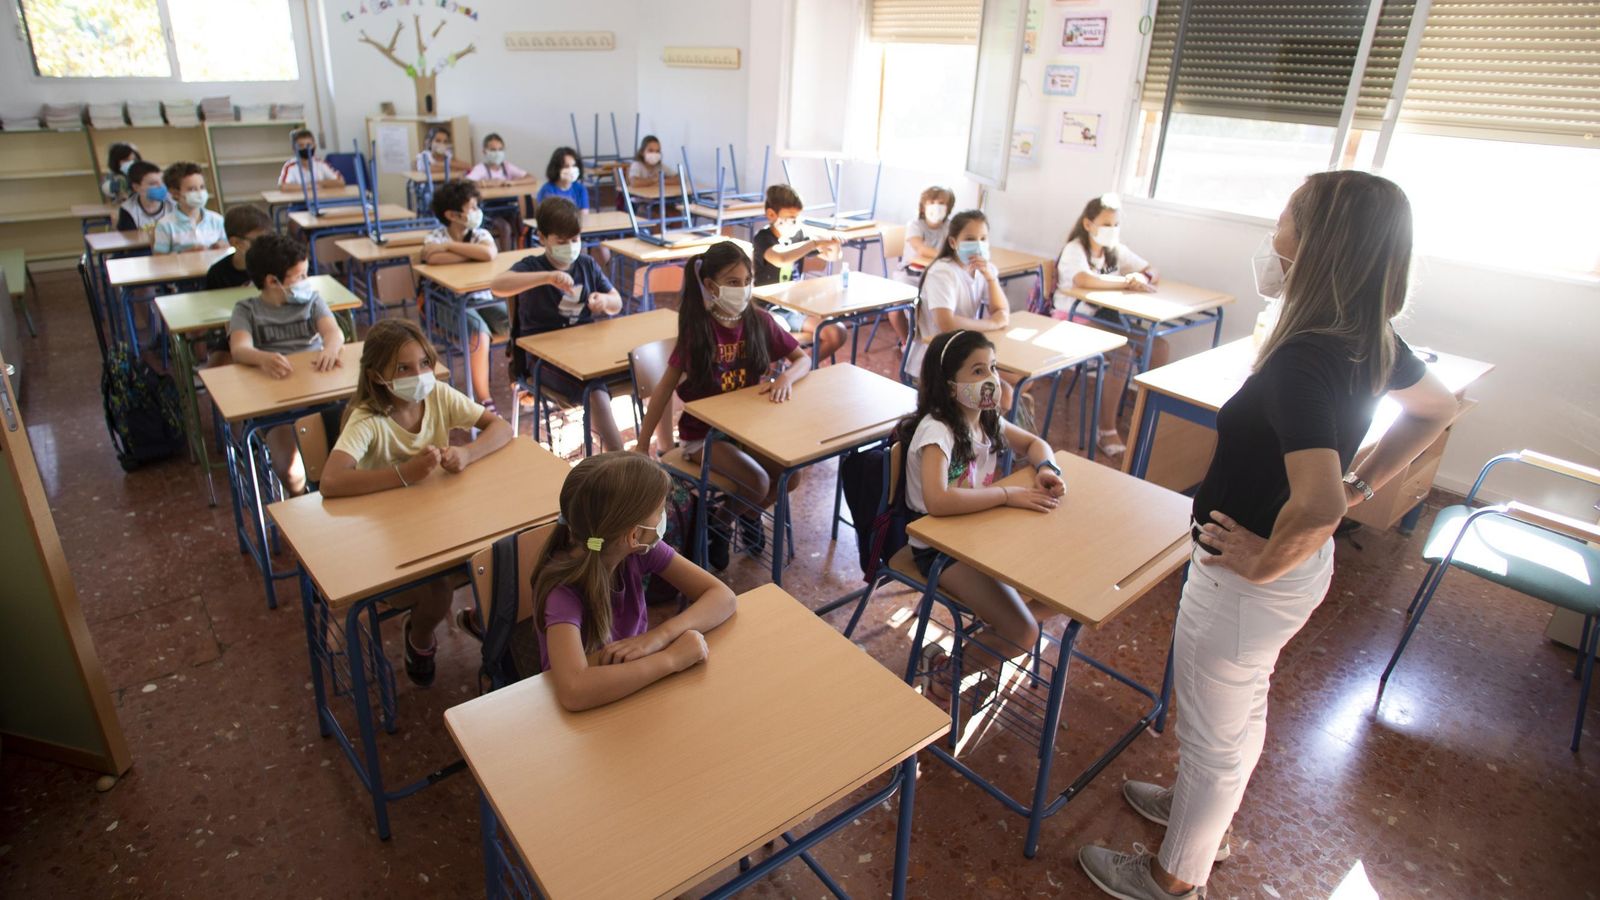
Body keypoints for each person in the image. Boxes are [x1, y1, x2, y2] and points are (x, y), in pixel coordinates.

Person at [1077, 171, 1459, 900]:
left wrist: (1264, 556)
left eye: (1285, 218)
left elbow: (1316, 505)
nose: (1273, 235)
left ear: (1319, 245)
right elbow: (1434, 407)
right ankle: (1195, 814)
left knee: (1219, 734)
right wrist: (1363, 484)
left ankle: (1173, 878)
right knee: (1237, 713)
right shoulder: (1365, 335)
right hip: (1282, 577)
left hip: (1247, 581)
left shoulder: (1303, 358)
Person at [319, 318, 514, 686]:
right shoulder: (368, 419)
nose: (420, 374)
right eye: (404, 369)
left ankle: (484, 619)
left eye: (424, 363)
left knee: (506, 553)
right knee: (439, 588)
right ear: (378, 377)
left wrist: (468, 453)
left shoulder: (436, 395)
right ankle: (420, 637)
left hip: (440, 524)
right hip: (388, 544)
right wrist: (404, 474)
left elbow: (501, 428)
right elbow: (331, 480)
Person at [900, 329, 1063, 704]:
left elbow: (1035, 444)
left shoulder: (985, 418)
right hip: (940, 549)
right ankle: (947, 673)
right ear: (948, 382)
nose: (990, 378)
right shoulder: (937, 430)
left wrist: (1047, 469)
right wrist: (1007, 495)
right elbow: (938, 500)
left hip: (978, 536)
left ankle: (989, 643)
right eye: (976, 371)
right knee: (1023, 633)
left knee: (1063, 588)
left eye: (991, 366)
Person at [635, 241, 813, 569]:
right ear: (710, 286)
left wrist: (785, 378)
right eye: (733, 283)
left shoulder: (759, 321)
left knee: (792, 475)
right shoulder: (699, 330)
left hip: (748, 431)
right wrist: (643, 444)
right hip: (703, 437)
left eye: (748, 281)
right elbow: (663, 390)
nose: (743, 289)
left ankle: (746, 512)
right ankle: (720, 523)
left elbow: (803, 359)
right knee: (758, 482)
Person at [533, 452, 737, 711]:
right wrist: (671, 659)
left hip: (632, 684)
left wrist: (659, 637)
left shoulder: (640, 550)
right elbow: (575, 690)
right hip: (586, 713)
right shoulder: (563, 591)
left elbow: (722, 596)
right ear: (633, 535)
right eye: (659, 511)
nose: (663, 517)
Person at [489, 197, 626, 450]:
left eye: (575, 240)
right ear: (542, 238)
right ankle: (623, 464)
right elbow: (497, 286)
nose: (571, 247)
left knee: (642, 367)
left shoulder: (586, 264)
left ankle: (643, 448)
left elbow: (616, 302)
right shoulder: (532, 267)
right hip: (543, 360)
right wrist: (547, 277)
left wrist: (603, 300)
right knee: (594, 390)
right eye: (561, 242)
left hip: (584, 351)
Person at [226, 233, 344, 497]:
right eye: (299, 276)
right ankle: (301, 506)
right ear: (272, 281)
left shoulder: (312, 301)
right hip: (275, 402)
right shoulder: (246, 310)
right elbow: (239, 349)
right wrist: (262, 357)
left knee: (345, 457)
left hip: (320, 393)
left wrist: (331, 348)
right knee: (291, 472)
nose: (305, 282)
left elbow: (334, 333)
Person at [1052, 193, 1164, 456]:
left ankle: (1145, 418)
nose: (1111, 230)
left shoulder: (1115, 251)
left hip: (1106, 318)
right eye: (1106, 224)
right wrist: (1125, 282)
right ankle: (1106, 430)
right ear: (1088, 224)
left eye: (1115, 225)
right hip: (1074, 319)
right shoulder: (1075, 249)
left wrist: (1142, 275)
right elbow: (1082, 280)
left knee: (1158, 346)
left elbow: (1151, 269)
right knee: (1123, 353)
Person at [421, 178, 505, 410]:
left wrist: (450, 248)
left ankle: (521, 380)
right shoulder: (435, 236)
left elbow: (488, 253)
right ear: (452, 215)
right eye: (473, 208)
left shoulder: (478, 234)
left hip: (482, 301)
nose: (478, 212)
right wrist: (471, 254)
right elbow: (432, 256)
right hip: (447, 306)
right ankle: (484, 399)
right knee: (479, 334)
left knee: (518, 319)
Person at [750, 184, 847, 361]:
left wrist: (834, 244)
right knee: (780, 331)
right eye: (790, 218)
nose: (795, 222)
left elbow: (832, 256)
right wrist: (814, 243)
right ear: (772, 215)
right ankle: (786, 371)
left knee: (836, 332)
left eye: (797, 218)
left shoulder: (799, 234)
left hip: (794, 308)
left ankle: (803, 368)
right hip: (766, 307)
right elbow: (780, 258)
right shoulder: (763, 238)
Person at [888, 185, 956, 345]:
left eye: (942, 203)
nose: (936, 206)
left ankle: (929, 341)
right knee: (895, 308)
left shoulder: (950, 227)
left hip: (936, 276)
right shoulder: (915, 225)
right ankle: (907, 342)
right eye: (932, 202)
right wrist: (946, 254)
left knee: (936, 303)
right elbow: (921, 249)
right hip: (910, 275)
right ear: (923, 206)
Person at [152, 162, 226, 253]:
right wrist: (185, 254)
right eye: (192, 189)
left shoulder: (217, 219)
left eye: (202, 187)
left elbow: (228, 247)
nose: (200, 193)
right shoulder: (165, 225)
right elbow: (159, 259)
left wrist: (222, 246)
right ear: (175, 193)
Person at [206, 205, 273, 291]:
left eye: (269, 239)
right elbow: (212, 302)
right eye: (258, 241)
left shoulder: (276, 267)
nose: (266, 245)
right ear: (235, 242)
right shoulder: (217, 274)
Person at [115, 161, 173, 234]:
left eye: (162, 182)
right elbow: (130, 238)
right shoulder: (128, 209)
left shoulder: (174, 202)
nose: (160, 186)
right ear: (136, 187)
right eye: (153, 183)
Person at [278, 129, 344, 189]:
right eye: (301, 146)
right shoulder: (290, 166)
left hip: (321, 200)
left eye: (308, 145)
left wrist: (317, 183)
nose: (305, 148)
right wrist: (309, 187)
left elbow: (340, 181)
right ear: (294, 149)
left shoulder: (321, 163)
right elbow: (282, 186)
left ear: (314, 146)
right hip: (300, 201)